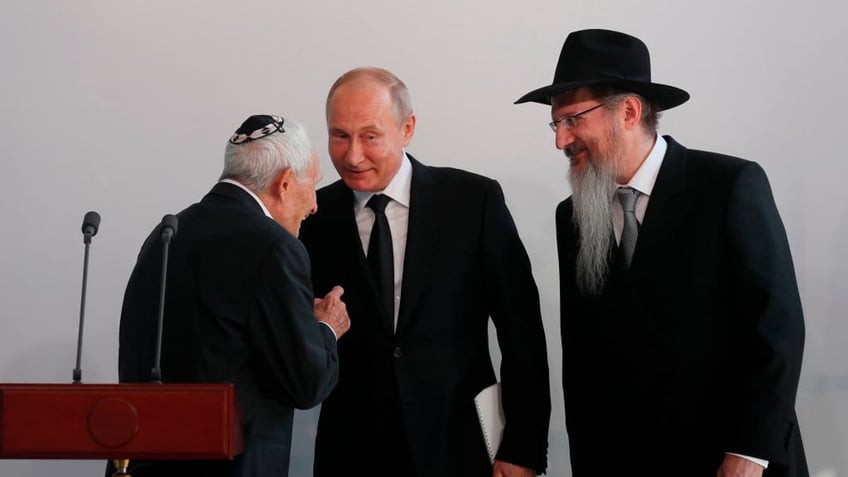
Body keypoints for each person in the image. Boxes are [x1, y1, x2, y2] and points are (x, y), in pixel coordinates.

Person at [514, 29, 808, 477]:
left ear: (628, 111)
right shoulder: (570, 217)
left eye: (573, 119)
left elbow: (776, 327)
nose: (561, 140)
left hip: (731, 459)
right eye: (556, 124)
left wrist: (751, 451)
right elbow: (584, 363)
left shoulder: (728, 186)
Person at [298, 67, 551, 477]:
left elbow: (521, 332)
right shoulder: (310, 216)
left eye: (370, 136)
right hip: (351, 452)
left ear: (407, 128)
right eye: (339, 135)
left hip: (459, 448)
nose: (352, 155)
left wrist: (523, 447)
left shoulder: (473, 201)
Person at [114, 114, 350, 477]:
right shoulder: (274, 247)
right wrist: (325, 328)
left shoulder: (168, 231)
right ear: (285, 183)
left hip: (143, 460)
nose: (315, 204)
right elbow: (306, 384)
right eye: (312, 185)